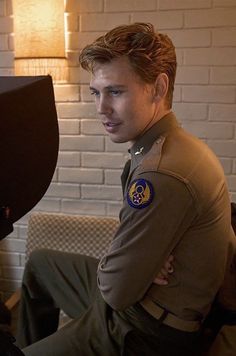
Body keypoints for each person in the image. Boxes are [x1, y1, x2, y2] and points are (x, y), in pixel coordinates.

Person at [16, 23, 235, 356]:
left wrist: (133, 265)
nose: (101, 108)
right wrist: (138, 260)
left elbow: (116, 292)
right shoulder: (170, 148)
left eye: (115, 92)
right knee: (41, 264)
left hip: (143, 331)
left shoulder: (162, 173)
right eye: (96, 92)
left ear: (158, 88)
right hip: (133, 299)